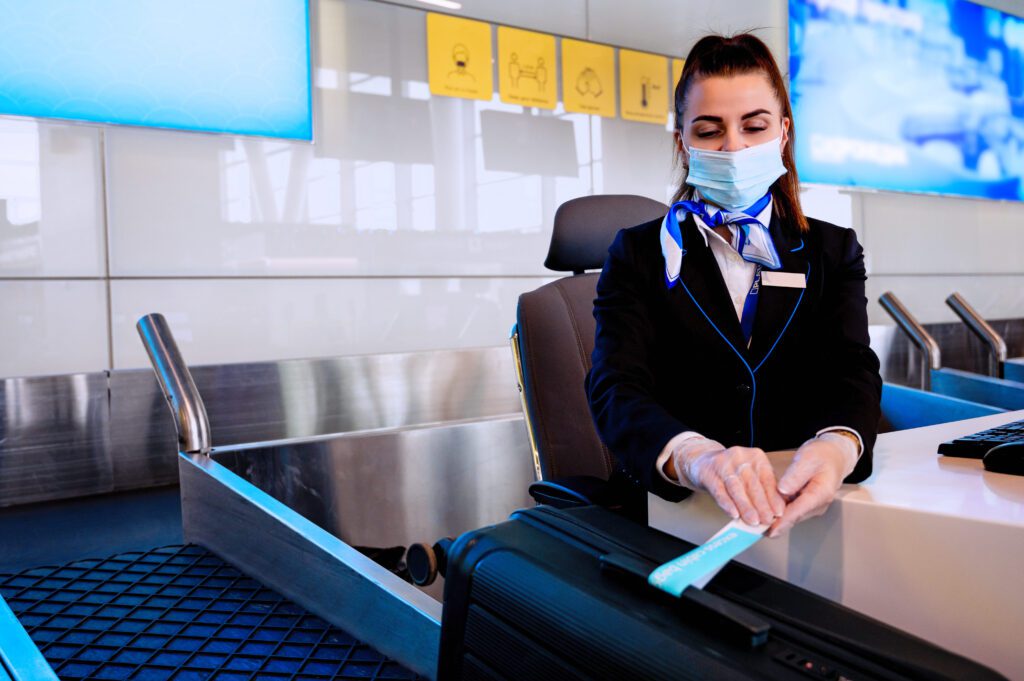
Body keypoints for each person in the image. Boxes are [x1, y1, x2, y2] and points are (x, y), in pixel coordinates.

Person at [586, 33, 881, 538]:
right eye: (709, 130)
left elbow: (851, 368)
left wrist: (837, 445)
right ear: (682, 142)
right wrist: (695, 457)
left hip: (800, 514)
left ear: (783, 133)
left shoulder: (833, 252)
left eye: (754, 126)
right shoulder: (637, 254)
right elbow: (615, 386)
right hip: (676, 518)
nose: (734, 147)